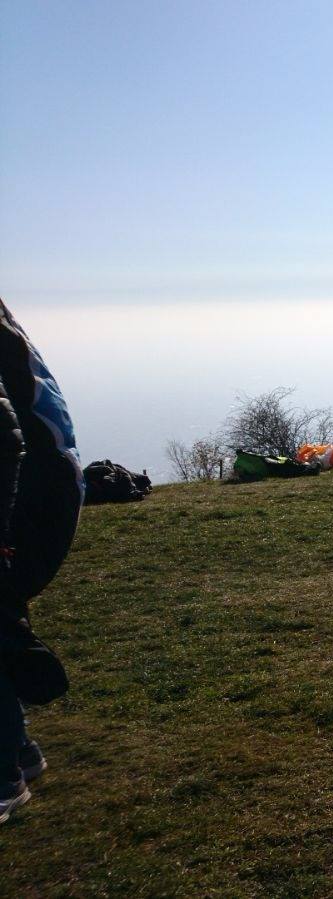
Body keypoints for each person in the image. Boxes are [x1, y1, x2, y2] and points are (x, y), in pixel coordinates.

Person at [0, 299, 81, 826]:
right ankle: (19, 751)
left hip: (34, 491)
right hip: (38, 482)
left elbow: (8, 437)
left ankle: (5, 771)